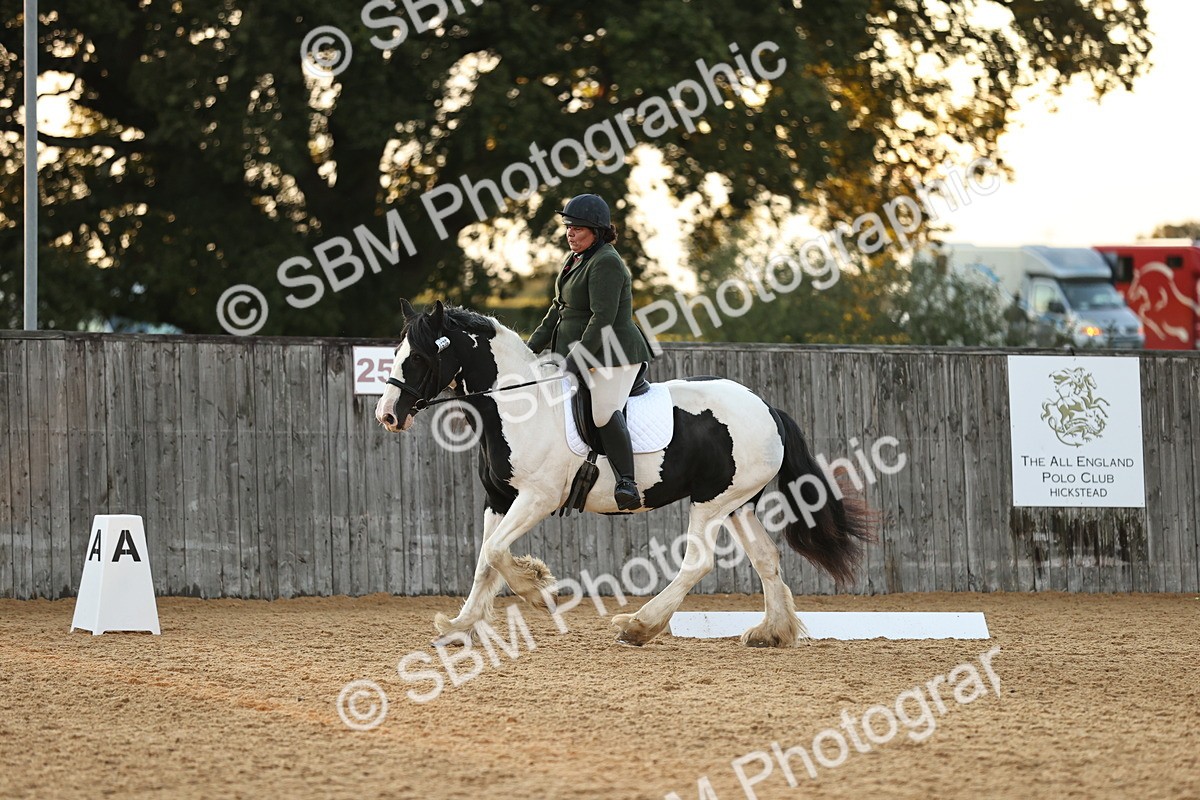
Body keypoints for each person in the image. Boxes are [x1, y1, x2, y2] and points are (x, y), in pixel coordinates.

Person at [526, 194, 654, 511]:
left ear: (596, 231)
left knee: (602, 411)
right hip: (585, 353)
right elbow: (557, 311)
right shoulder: (575, 260)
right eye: (568, 226)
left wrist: (574, 361)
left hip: (615, 354)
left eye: (578, 228)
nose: (570, 233)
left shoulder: (606, 262)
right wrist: (529, 349)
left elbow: (603, 320)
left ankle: (627, 483)